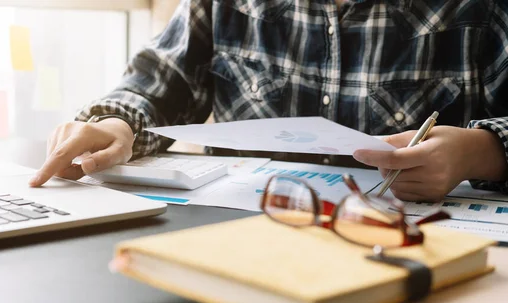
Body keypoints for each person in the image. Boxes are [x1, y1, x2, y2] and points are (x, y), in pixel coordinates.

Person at [29, 0, 508, 203]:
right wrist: (118, 123)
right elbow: (162, 81)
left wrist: (481, 151)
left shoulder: (479, 9)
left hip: (413, 247)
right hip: (238, 236)